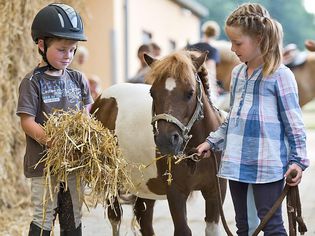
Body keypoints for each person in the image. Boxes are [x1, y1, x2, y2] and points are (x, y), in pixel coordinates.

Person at [196, 3, 309, 235]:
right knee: (244, 226)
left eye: (238, 43)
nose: (232, 48)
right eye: (231, 42)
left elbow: (294, 124)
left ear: (259, 38)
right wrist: (211, 142)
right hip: (236, 162)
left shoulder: (281, 75)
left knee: (271, 225)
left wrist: (297, 161)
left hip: (267, 165)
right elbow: (233, 118)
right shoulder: (237, 73)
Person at [16, 3, 92, 235]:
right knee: (44, 215)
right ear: (41, 44)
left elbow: (87, 116)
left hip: (74, 164)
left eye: (72, 49)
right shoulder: (32, 82)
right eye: (61, 49)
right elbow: (27, 122)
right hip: (44, 165)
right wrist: (57, 145)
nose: (68, 55)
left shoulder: (78, 79)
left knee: (73, 215)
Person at [186, 20, 221, 104]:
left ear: (203, 31)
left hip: (187, 80)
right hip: (202, 84)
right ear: (215, 34)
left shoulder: (190, 46)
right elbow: (210, 72)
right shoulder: (213, 50)